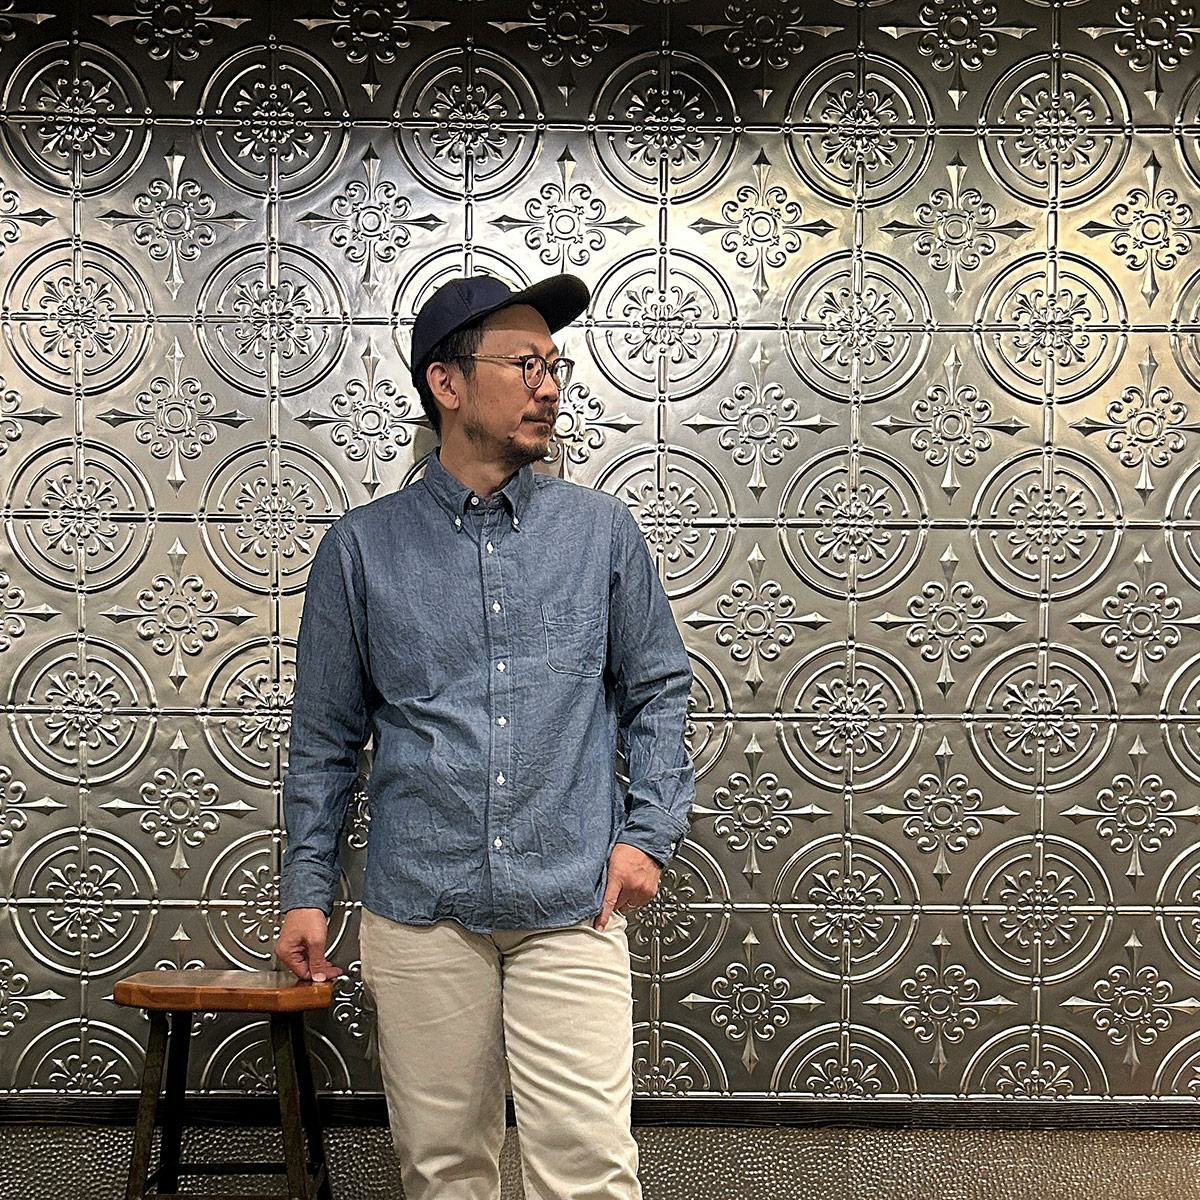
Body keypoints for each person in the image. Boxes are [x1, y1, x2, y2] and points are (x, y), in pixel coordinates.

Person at [274, 272, 696, 1200]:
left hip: (571, 902)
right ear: (448, 383)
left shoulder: (600, 532)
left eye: (553, 366)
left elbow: (659, 688)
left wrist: (649, 833)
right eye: (523, 364)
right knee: (443, 1174)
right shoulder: (361, 548)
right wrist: (306, 892)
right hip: (422, 906)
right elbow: (324, 739)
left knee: (589, 1173)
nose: (549, 386)